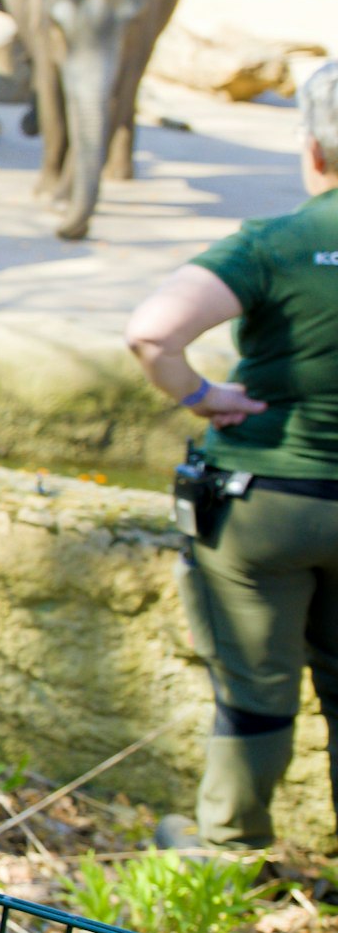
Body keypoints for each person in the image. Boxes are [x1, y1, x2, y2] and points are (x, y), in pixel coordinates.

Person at [126, 61, 338, 852]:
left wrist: (202, 394)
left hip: (266, 502)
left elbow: (153, 333)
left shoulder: (276, 244)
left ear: (312, 149)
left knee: (256, 684)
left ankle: (227, 849)